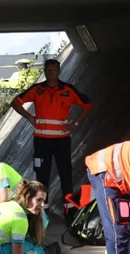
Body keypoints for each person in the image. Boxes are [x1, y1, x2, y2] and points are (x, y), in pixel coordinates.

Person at [10, 58, 92, 219]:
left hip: (62, 141)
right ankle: (42, 213)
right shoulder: (37, 89)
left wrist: (75, 123)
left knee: (66, 175)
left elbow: (87, 105)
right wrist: (30, 117)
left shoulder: (68, 90)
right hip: (41, 141)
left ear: (59, 71)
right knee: (42, 177)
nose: (50, 73)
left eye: (53, 70)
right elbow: (15, 102)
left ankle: (70, 212)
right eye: (47, 70)